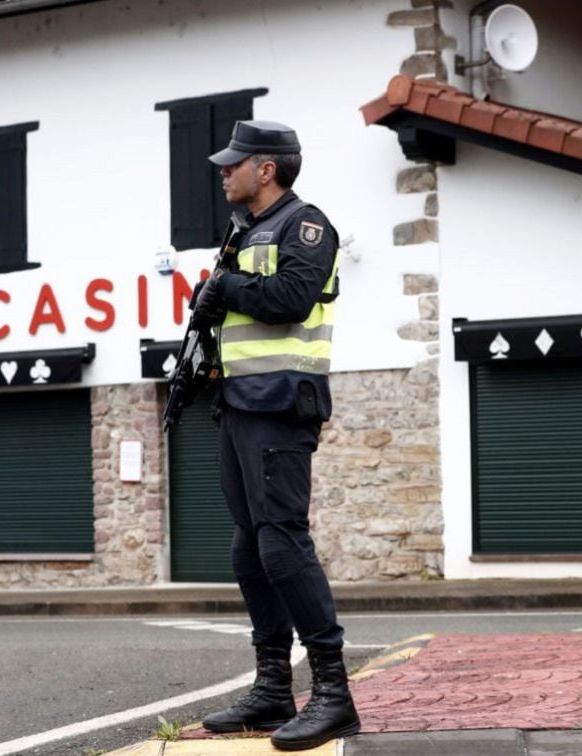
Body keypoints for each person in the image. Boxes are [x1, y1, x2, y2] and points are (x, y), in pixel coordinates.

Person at [190, 120, 359, 751]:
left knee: (283, 545)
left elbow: (291, 295)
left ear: (267, 169)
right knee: (248, 549)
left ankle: (335, 696)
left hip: (281, 404)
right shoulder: (241, 234)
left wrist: (223, 287)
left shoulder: (305, 225)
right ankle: (271, 689)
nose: (222, 172)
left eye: (233, 164)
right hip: (239, 405)